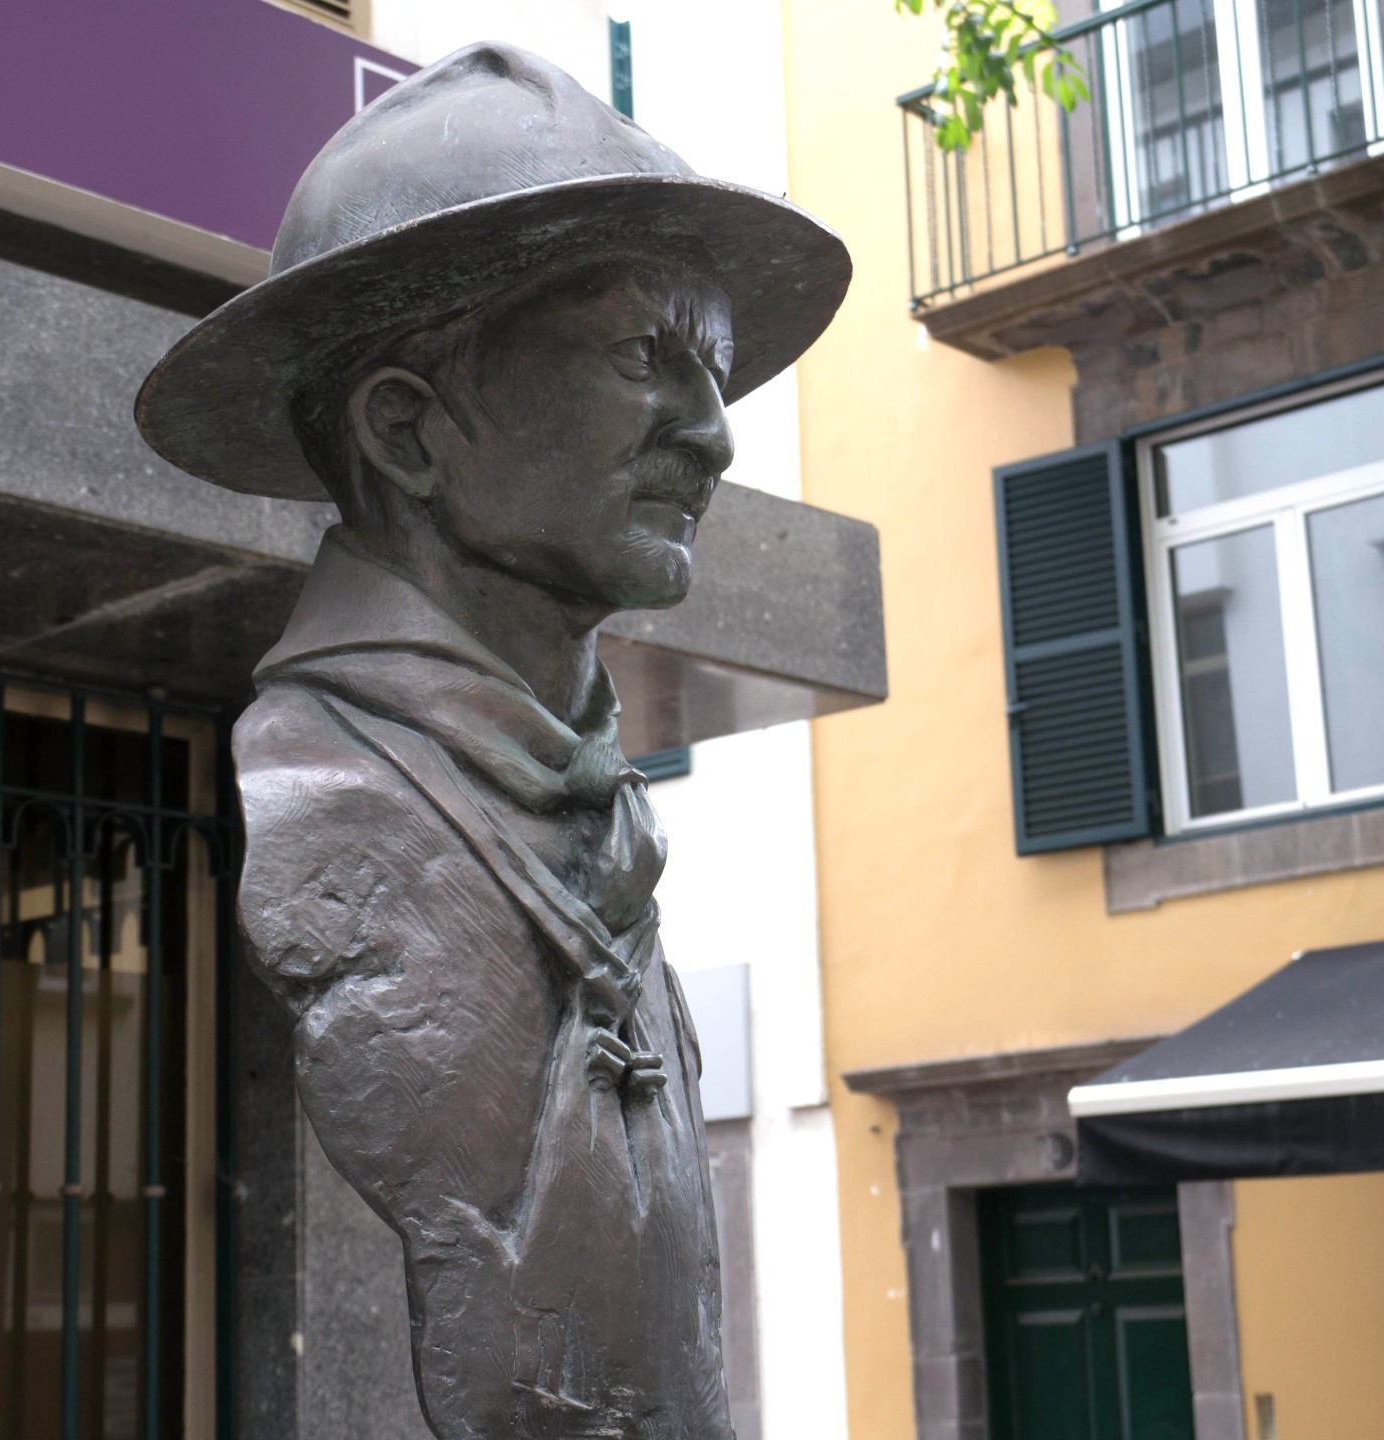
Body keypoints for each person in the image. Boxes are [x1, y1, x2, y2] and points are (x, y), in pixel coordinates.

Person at [134, 43, 850, 1440]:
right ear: (409, 430)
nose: (714, 437)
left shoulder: (591, 801)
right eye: (645, 357)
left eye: (711, 373)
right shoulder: (331, 798)